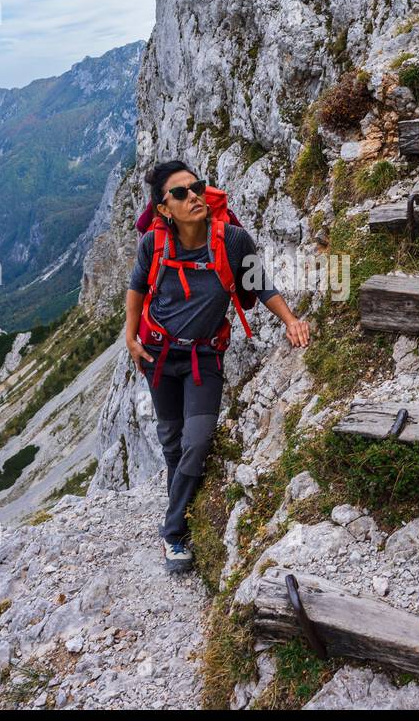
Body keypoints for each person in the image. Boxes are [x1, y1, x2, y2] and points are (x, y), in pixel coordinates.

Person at [126, 161, 310, 573]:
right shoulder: (153, 244)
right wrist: (129, 336)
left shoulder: (231, 240)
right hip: (157, 354)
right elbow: (137, 285)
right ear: (163, 209)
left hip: (203, 357)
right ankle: (181, 509)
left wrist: (291, 320)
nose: (194, 195)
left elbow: (259, 284)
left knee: (196, 438)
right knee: (171, 439)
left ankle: (173, 534)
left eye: (197, 187)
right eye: (180, 192)